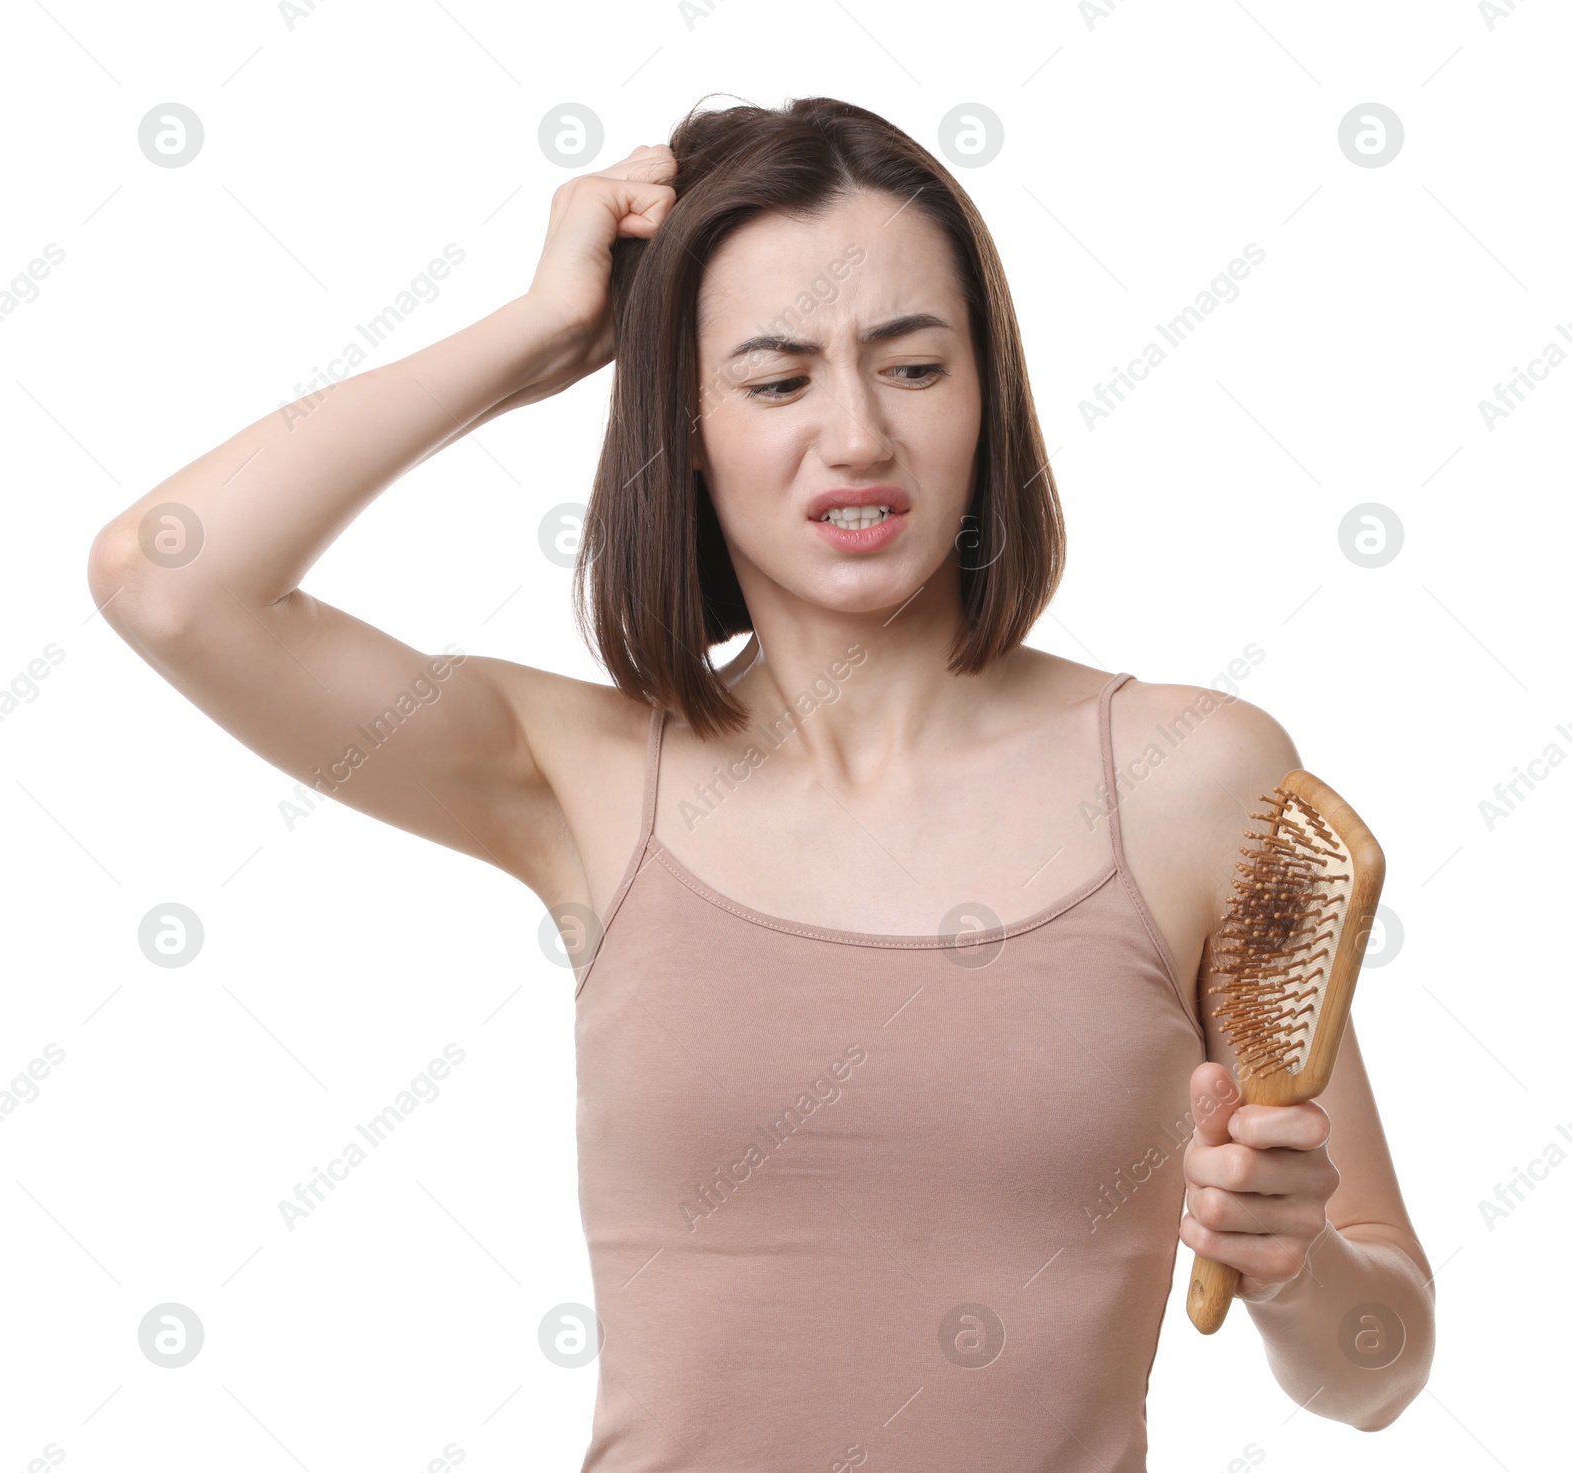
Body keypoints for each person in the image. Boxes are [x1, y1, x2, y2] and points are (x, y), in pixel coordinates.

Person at [87, 94, 1434, 1469]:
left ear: (990, 390)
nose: (856, 436)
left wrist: (1295, 1264)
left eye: (913, 365)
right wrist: (542, 335)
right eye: (778, 380)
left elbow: (1382, 1368)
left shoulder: (1195, 778)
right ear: (683, 424)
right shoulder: (587, 777)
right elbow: (170, 580)